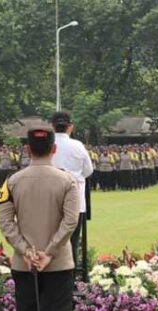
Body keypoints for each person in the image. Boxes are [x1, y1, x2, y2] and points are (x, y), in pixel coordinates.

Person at [0, 127, 80, 311]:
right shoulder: (67, 181)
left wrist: (26, 251)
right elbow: (70, 221)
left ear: (27, 150)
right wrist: (50, 252)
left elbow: (5, 222)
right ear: (54, 149)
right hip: (58, 263)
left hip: (25, 264)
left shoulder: (12, 181)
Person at [50, 111, 94, 271]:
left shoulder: (47, 145)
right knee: (72, 243)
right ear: (70, 127)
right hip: (75, 202)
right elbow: (88, 171)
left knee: (49, 241)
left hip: (50, 202)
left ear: (51, 126)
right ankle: (71, 278)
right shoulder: (77, 145)